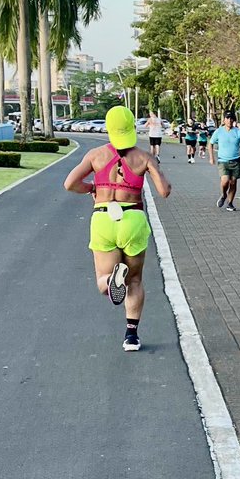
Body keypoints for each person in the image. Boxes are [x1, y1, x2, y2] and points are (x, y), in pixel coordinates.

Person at [62, 105, 172, 351]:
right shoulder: (144, 157)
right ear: (131, 128)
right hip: (132, 219)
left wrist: (92, 188)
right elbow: (163, 192)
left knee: (103, 279)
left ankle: (111, 279)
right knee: (134, 280)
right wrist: (158, 172)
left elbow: (70, 183)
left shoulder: (95, 155)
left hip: (103, 219)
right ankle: (131, 336)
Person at [209, 111, 240, 211]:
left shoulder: (238, 132)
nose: (229, 120)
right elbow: (211, 143)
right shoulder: (219, 131)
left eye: (231, 118)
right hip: (223, 161)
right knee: (225, 181)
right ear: (224, 120)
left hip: (235, 161)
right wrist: (211, 157)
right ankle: (223, 195)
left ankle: (230, 203)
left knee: (233, 182)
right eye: (227, 118)